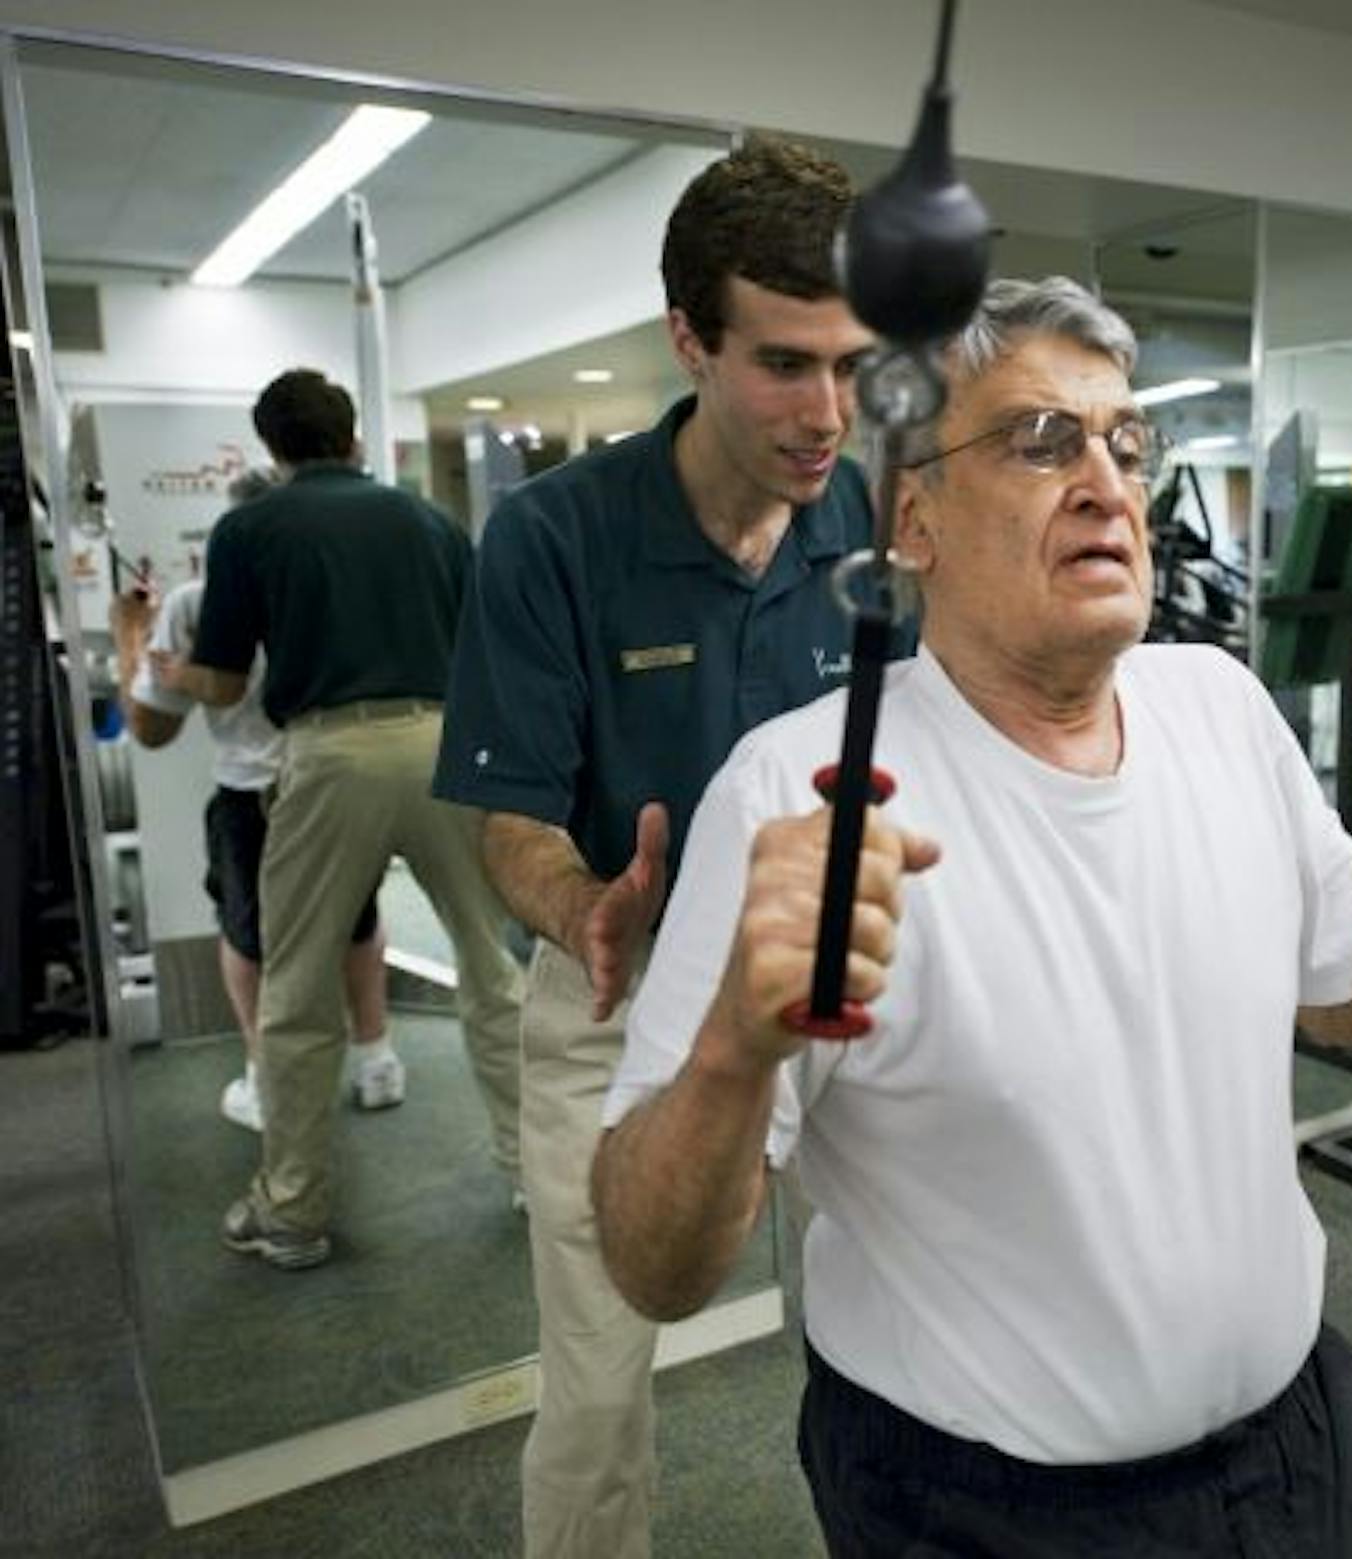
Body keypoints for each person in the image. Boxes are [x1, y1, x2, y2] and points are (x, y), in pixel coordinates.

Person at [592, 277, 1352, 1557]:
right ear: (912, 517)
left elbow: (1349, 979)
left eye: (1124, 444)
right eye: (1040, 442)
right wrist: (731, 1054)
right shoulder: (789, 792)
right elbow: (655, 1265)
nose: (1105, 481)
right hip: (995, 1509)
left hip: (1310, 1432)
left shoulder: (1220, 704)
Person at [432, 136, 889, 1559]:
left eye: (851, 364)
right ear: (689, 339)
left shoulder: (858, 517)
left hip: (836, 990)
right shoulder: (553, 539)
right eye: (785, 364)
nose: (829, 412)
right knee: (598, 1385)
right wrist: (583, 910)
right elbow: (508, 818)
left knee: (899, 1335)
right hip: (619, 995)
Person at [165, 369, 523, 1272]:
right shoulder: (431, 521)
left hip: (330, 753)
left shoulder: (250, 528)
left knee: (294, 988)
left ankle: (292, 1210)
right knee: (494, 969)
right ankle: (536, 1170)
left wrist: (161, 665)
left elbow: (219, 682)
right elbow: (484, 645)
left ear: (274, 452)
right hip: (448, 744)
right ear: (355, 437)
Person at [112, 470, 404, 1132]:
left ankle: (266, 1080)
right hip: (335, 781)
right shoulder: (337, 589)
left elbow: (153, 728)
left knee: (249, 934)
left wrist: (133, 641)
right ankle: (376, 1056)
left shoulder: (197, 601)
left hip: (254, 792)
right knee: (355, 917)